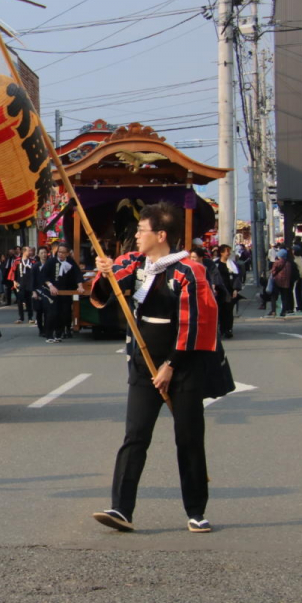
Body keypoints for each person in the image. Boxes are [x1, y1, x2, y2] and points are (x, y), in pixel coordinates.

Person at [90, 202, 221, 534]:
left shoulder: (189, 271)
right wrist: (105, 273)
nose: (135, 236)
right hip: (142, 361)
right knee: (135, 435)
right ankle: (121, 508)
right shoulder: (135, 263)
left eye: (141, 231)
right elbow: (110, 292)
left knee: (188, 437)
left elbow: (196, 323)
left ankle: (196, 510)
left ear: (161, 235)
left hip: (183, 363)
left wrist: (171, 366)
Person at [40, 244, 80, 343]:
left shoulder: (70, 261)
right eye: (59, 252)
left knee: (64, 313)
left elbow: (77, 274)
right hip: (50, 291)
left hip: (65, 291)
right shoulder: (51, 261)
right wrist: (51, 286)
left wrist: (80, 285)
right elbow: (43, 276)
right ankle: (49, 335)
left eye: (63, 252)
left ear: (67, 253)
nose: (61, 254)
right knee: (52, 313)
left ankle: (58, 334)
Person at [215, 245, 242, 339]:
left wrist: (236, 289)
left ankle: (228, 329)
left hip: (229, 291)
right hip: (218, 291)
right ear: (221, 252)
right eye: (227, 251)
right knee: (220, 311)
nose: (228, 253)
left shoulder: (232, 264)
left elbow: (236, 277)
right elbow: (212, 276)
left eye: (229, 251)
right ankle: (221, 329)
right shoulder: (215, 264)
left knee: (229, 311)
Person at [268, 249, 296, 317]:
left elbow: (273, 272)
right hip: (286, 282)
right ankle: (283, 311)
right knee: (284, 297)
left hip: (277, 281)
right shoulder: (289, 263)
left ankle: (273, 311)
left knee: (273, 296)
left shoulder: (277, 262)